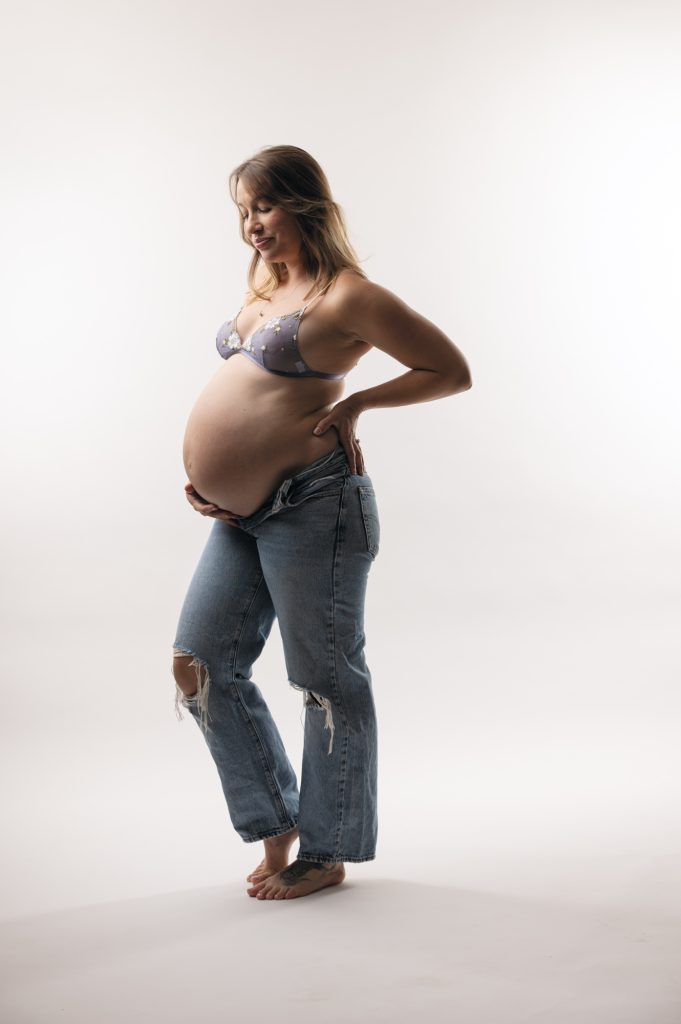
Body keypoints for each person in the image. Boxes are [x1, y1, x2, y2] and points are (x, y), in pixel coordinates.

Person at [172, 144, 473, 901]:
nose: (251, 225)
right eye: (242, 210)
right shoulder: (267, 289)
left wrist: (357, 403)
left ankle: (328, 849)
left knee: (324, 679)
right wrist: (216, 479)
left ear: (305, 204)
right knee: (199, 666)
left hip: (315, 504)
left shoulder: (348, 296)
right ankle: (275, 818)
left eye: (263, 207)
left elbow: (450, 368)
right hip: (243, 515)